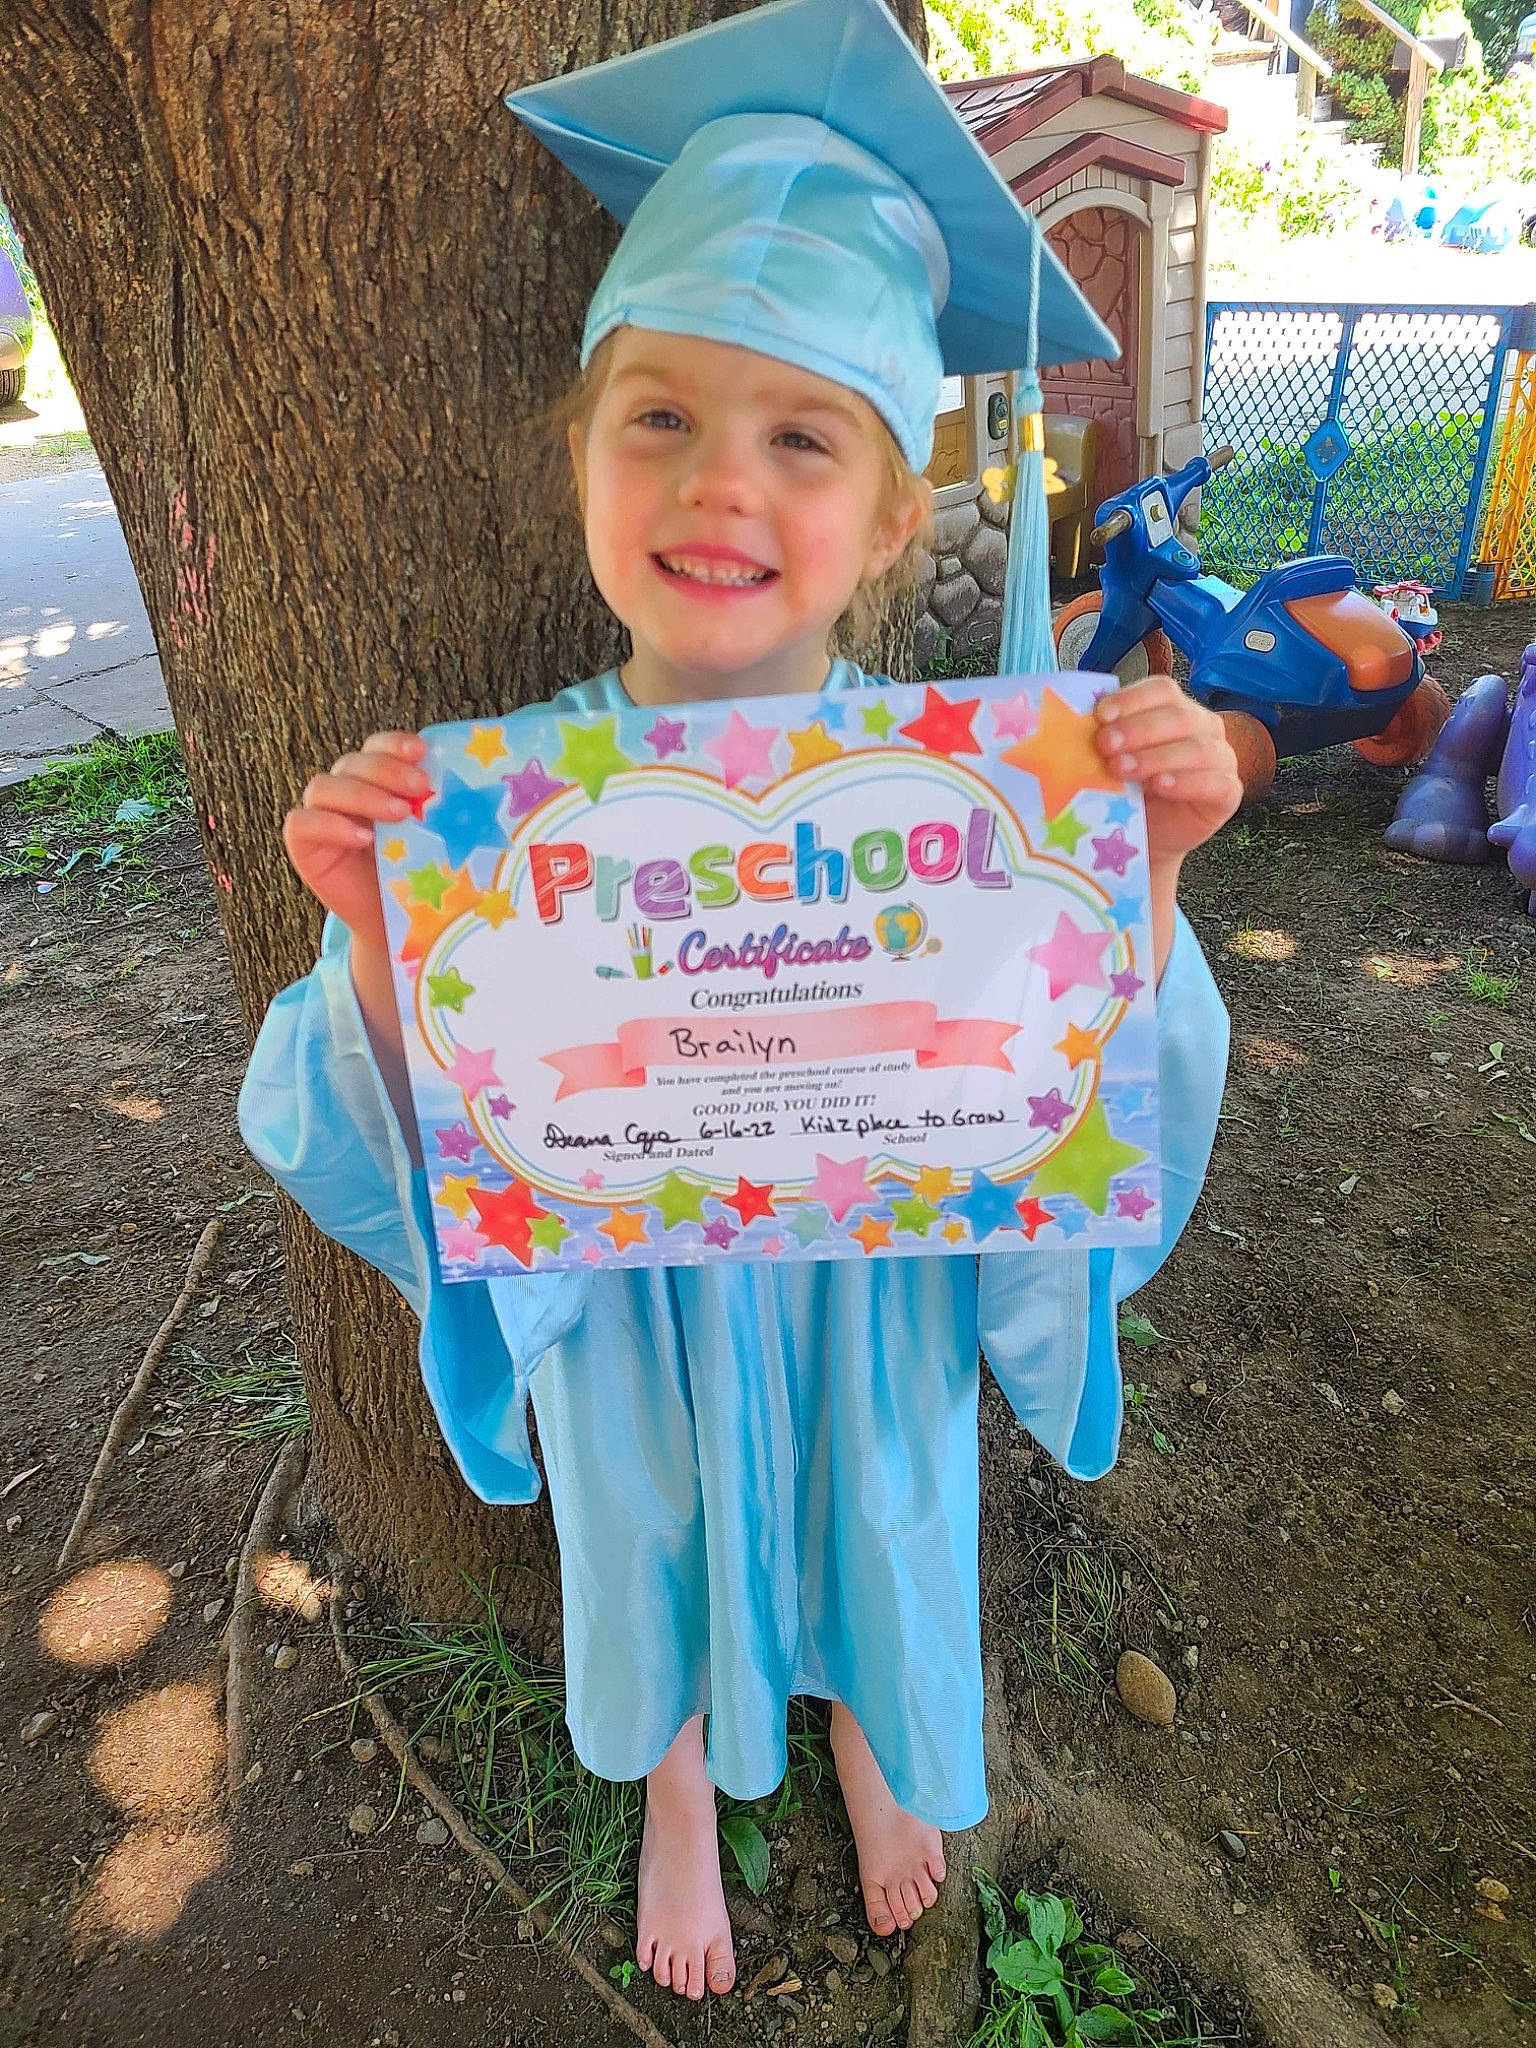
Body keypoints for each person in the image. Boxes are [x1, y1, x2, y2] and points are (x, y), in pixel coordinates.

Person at [238, 0, 1241, 2005]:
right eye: (662, 418)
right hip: (636, 1289)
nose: (721, 483)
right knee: (653, 1521)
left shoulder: (979, 798)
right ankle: (682, 1782)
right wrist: (375, 938)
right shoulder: (503, 808)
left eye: (803, 436)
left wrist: (1153, 873)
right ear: (584, 463)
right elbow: (362, 1111)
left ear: (884, 524)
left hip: (864, 1280)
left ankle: (874, 1737)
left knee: (881, 1503)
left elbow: (1092, 1065)